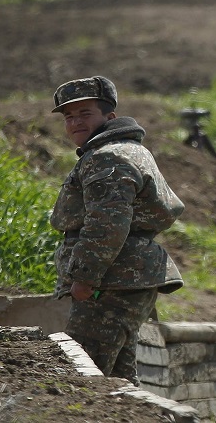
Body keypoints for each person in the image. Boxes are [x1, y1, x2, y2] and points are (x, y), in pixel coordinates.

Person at [49, 75, 184, 384]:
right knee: (118, 381)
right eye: (69, 116)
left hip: (112, 282)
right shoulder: (128, 150)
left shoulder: (106, 157)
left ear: (109, 117)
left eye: (85, 113)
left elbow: (106, 224)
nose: (75, 122)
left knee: (85, 376)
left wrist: (85, 277)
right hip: (124, 278)